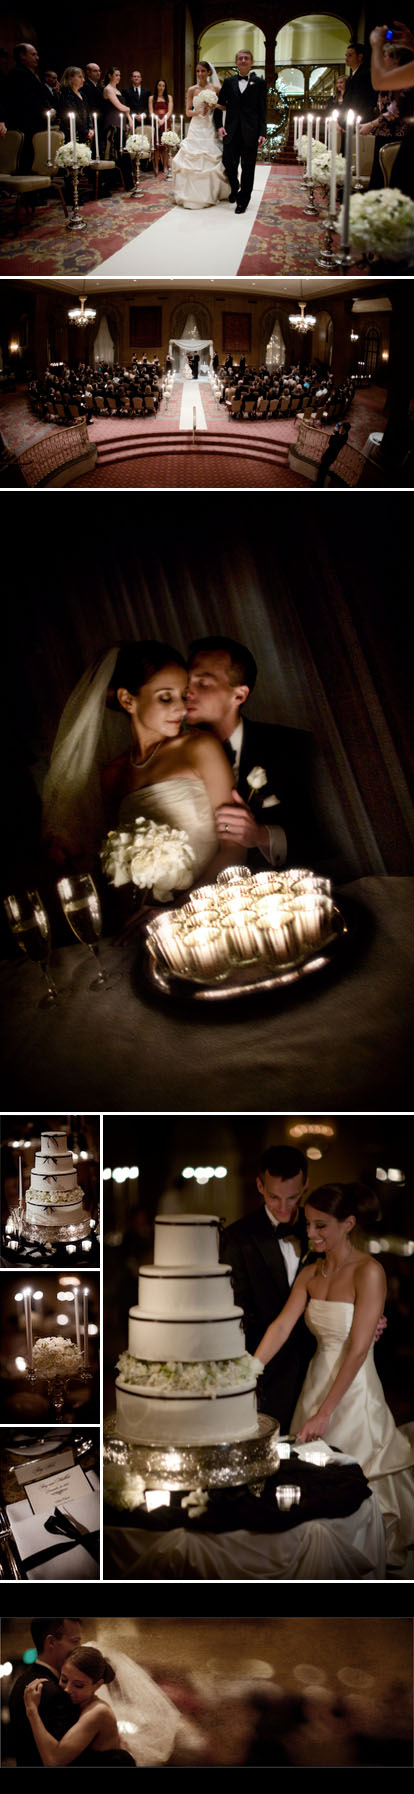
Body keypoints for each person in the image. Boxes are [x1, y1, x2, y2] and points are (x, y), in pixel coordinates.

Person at [254, 1182, 414, 1570]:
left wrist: (325, 1413)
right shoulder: (311, 1272)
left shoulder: (369, 1271)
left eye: (320, 1226)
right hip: (315, 1382)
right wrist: (247, 1373)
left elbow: (359, 1349)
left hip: (354, 1389)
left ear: (349, 1224)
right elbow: (280, 1327)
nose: (310, 1233)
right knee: (310, 1479)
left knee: (355, 1476)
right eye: (308, 1224)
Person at [42, 642, 240, 885]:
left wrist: (186, 903)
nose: (181, 708)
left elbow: (235, 847)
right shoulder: (113, 776)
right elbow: (119, 862)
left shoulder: (200, 749)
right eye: (166, 698)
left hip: (218, 895)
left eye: (183, 695)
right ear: (127, 700)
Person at [186, 634, 323, 869]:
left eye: (203, 683)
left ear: (239, 695)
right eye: (186, 682)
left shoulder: (291, 746)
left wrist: (261, 835)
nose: (187, 692)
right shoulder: (172, 756)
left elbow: (321, 838)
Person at [221, 1145, 315, 1432]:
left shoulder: (320, 1232)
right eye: (275, 1197)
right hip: (266, 1369)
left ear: (305, 1186)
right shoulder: (238, 1237)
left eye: (293, 1197)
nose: (285, 1208)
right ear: (260, 1186)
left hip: (317, 1363)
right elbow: (234, 1311)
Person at [23, 1648, 137, 1764]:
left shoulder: (98, 1712)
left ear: (97, 1685)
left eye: (78, 1685)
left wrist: (32, 1711)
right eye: (64, 1680)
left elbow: (54, 1761)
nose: (67, 1689)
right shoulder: (78, 1705)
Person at [9, 1617, 83, 1766]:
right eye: (75, 1641)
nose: (79, 1648)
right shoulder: (51, 1691)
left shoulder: (22, 1681)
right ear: (51, 1642)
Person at [171, 60, 230, 210]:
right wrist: (198, 112)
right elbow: (187, 111)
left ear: (209, 72)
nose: (200, 74)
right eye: (197, 71)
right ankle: (189, 193)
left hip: (210, 126)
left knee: (210, 157)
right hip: (196, 126)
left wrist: (213, 105)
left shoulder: (216, 88)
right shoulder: (192, 89)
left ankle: (212, 192)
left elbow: (225, 106)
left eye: (203, 71)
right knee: (191, 159)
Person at [217, 50, 267, 212]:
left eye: (246, 58)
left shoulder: (260, 83)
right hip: (231, 131)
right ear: (236, 62)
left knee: (248, 167)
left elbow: (262, 110)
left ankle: (243, 200)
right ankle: (234, 185)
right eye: (240, 58)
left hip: (250, 132)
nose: (243, 60)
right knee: (228, 162)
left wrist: (262, 132)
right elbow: (219, 105)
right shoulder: (228, 81)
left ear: (251, 61)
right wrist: (219, 125)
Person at [370, 23, 414, 196]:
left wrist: (376, 44)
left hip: (401, 134)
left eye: (386, 56)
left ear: (396, 59)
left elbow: (379, 80)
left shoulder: (402, 81)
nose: (384, 58)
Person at [5, 42, 55, 170]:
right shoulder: (18, 73)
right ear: (22, 56)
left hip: (35, 123)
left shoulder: (31, 74)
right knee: (26, 159)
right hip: (26, 125)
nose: (37, 57)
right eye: (33, 54)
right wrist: (47, 111)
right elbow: (28, 100)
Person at [340, 40, 376, 122]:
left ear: (360, 57)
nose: (346, 59)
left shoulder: (365, 74)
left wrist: (344, 121)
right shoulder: (352, 76)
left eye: (350, 55)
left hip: (360, 119)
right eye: (346, 55)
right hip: (350, 118)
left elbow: (359, 101)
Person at [101, 68, 132, 157]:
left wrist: (130, 119)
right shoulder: (108, 89)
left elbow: (124, 108)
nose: (119, 77)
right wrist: (128, 108)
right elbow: (119, 106)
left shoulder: (117, 90)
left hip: (120, 122)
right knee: (114, 147)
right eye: (116, 75)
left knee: (122, 146)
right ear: (110, 76)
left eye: (119, 75)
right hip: (112, 122)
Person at [58, 67, 93, 145]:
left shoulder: (82, 94)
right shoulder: (66, 94)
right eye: (80, 77)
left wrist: (90, 128)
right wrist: (85, 131)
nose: (83, 80)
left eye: (83, 77)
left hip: (84, 132)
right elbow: (74, 115)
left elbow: (88, 112)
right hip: (71, 132)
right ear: (70, 78)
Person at [149, 78, 173, 174]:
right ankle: (156, 166)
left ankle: (165, 166)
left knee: (165, 145)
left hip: (166, 122)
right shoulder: (151, 98)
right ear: (156, 86)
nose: (161, 87)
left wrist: (163, 120)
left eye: (163, 86)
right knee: (156, 146)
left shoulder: (169, 97)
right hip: (156, 122)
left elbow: (170, 111)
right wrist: (158, 120)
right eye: (160, 85)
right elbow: (151, 111)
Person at [315, 421, 351, 485]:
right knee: (322, 470)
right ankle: (318, 484)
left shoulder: (343, 437)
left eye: (342, 428)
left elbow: (331, 443)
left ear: (344, 429)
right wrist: (337, 425)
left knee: (322, 471)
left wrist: (334, 433)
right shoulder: (343, 435)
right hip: (329, 454)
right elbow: (338, 424)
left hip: (330, 456)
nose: (340, 429)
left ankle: (319, 485)